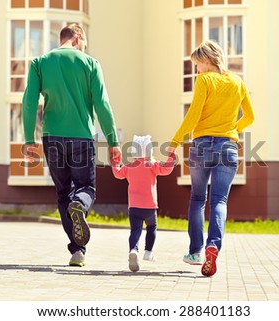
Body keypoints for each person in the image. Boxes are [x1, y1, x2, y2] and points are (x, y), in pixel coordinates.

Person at [22, 24, 122, 267]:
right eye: (84, 43)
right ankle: (80, 212)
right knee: (86, 187)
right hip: (81, 137)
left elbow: (29, 102)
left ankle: (78, 250)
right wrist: (113, 141)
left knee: (63, 193)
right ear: (78, 37)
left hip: (51, 137)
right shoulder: (90, 63)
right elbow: (102, 105)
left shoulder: (39, 63)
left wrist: (28, 139)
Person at [169, 40, 255, 277]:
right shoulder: (237, 82)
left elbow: (193, 115)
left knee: (197, 198)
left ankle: (196, 251)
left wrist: (175, 142)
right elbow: (250, 116)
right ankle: (213, 246)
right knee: (219, 201)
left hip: (202, 145)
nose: (197, 70)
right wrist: (234, 130)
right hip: (228, 146)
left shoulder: (205, 80)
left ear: (207, 60)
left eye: (197, 64)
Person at [112, 135, 175, 272]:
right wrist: (171, 156)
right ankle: (148, 252)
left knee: (135, 230)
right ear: (149, 151)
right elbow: (167, 170)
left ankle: (133, 250)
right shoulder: (152, 165)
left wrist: (116, 161)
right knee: (152, 227)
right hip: (150, 206)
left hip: (134, 207)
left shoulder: (129, 167)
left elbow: (117, 173)